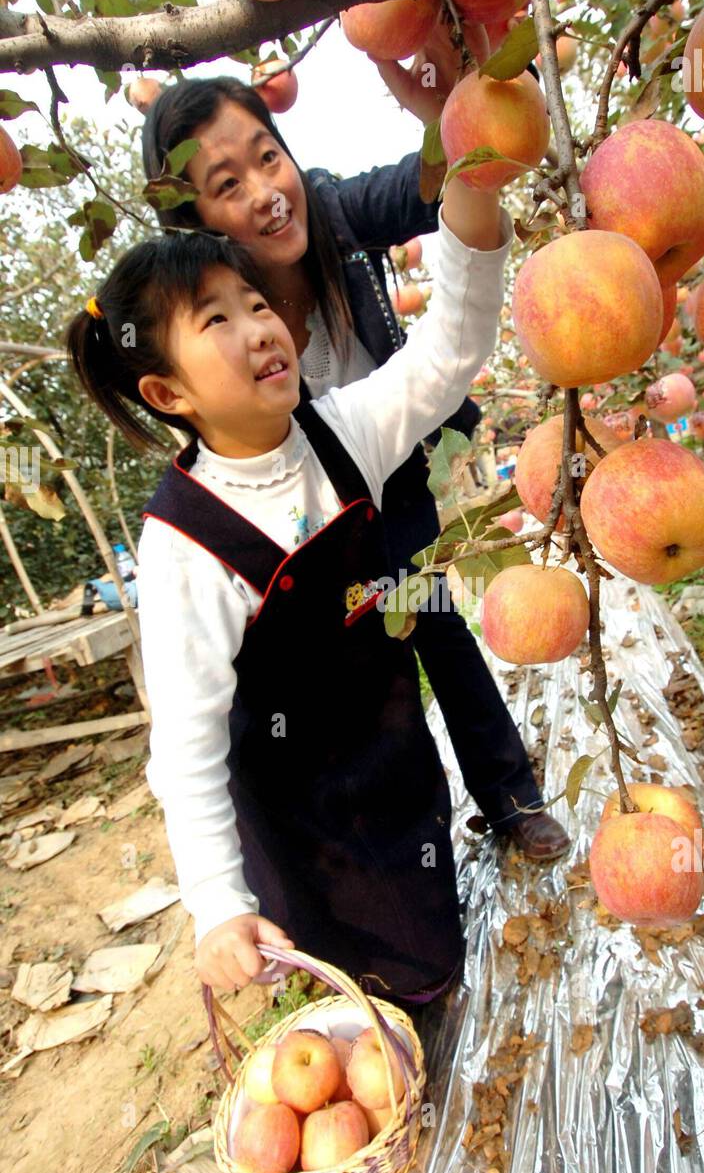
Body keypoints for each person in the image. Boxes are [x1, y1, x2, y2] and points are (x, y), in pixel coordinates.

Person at [65, 165, 516, 1004]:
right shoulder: (183, 544)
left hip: (392, 764)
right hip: (303, 822)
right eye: (217, 320)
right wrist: (214, 906)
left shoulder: (341, 432)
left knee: (424, 921)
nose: (259, 328)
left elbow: (447, 352)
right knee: (369, 968)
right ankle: (393, 1042)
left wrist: (475, 172)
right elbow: (188, 746)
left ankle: (422, 1003)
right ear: (167, 393)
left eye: (256, 304)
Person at [139, 50, 569, 864]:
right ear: (193, 220)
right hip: (307, 499)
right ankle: (378, 855)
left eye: (268, 157)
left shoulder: (333, 211)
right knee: (351, 671)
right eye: (227, 185)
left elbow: (439, 176)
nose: (266, 193)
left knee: (435, 620)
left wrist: (439, 108)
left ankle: (511, 799)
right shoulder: (209, 317)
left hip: (390, 453)